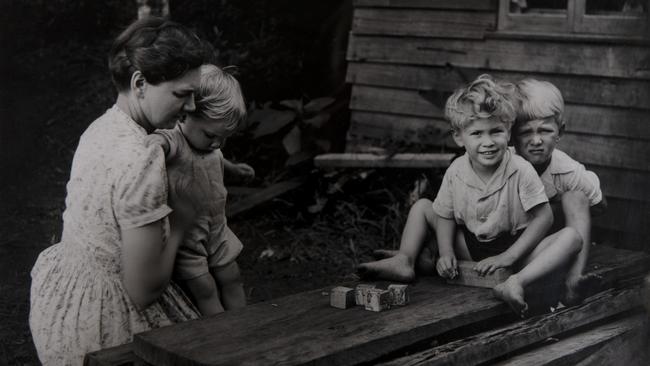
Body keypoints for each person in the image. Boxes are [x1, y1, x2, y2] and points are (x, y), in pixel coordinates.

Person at [29, 17, 206, 364]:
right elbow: (142, 290)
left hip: (63, 301)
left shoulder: (101, 128)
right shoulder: (141, 156)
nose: (191, 108)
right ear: (140, 83)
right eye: (182, 94)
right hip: (105, 321)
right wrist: (182, 222)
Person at [358, 75, 583, 317]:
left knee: (571, 237)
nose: (488, 142)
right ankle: (405, 260)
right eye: (477, 134)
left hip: (517, 249)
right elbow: (444, 214)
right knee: (424, 206)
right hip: (471, 247)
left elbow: (544, 218)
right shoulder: (456, 170)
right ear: (459, 137)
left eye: (496, 131)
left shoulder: (520, 168)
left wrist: (510, 256)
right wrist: (447, 252)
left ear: (508, 131)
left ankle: (516, 282)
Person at [146, 64, 253, 316]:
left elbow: (215, 158)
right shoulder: (174, 140)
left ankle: (244, 325)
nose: (217, 143)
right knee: (205, 288)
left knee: (232, 276)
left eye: (223, 138)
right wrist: (152, 144)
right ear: (185, 114)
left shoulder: (210, 144)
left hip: (217, 228)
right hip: (187, 239)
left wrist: (234, 169)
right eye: (211, 135)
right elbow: (158, 142)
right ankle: (219, 337)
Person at [512, 78, 606, 305]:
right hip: (512, 242)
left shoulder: (567, 170)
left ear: (560, 131)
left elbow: (599, 205)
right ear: (512, 135)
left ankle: (574, 279)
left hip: (553, 242)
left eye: (545, 130)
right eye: (526, 132)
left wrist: (559, 208)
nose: (536, 140)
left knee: (576, 197)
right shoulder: (507, 163)